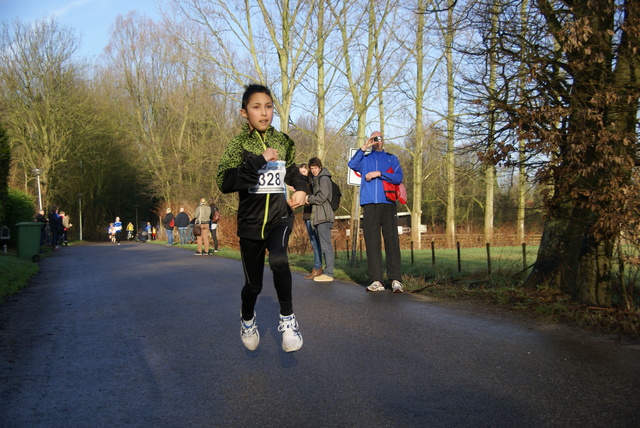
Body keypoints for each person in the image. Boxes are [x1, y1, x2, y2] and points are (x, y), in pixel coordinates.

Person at [216, 83, 307, 353]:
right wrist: (257, 161)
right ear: (244, 113)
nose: (264, 113)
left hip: (279, 217)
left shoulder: (283, 141)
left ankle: (288, 320)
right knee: (253, 285)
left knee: (279, 260)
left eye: (268, 107)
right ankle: (247, 318)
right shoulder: (238, 145)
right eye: (256, 107)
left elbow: (293, 172)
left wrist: (301, 188)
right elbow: (225, 181)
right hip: (250, 224)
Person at [348, 131, 404, 293]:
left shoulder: (391, 158)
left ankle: (395, 280)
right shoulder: (365, 159)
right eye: (374, 138)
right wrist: (364, 146)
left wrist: (380, 174)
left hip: (388, 203)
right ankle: (376, 280)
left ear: (383, 141)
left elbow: (398, 178)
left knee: (392, 242)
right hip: (369, 204)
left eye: (379, 138)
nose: (377, 141)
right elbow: (352, 165)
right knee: (372, 243)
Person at [305, 157, 335, 282]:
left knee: (326, 246)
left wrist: (309, 198)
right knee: (323, 245)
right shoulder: (317, 179)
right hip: (319, 216)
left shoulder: (324, 178)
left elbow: (322, 197)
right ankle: (326, 272)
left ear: (320, 167)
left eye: (315, 168)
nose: (313, 171)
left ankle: (329, 273)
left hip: (324, 216)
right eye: (311, 169)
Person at [298, 164, 323, 280]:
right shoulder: (303, 185)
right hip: (307, 215)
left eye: (303, 172)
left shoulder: (311, 184)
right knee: (314, 242)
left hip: (313, 215)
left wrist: (305, 199)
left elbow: (312, 199)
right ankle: (318, 267)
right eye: (300, 172)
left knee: (316, 242)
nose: (301, 174)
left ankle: (317, 268)